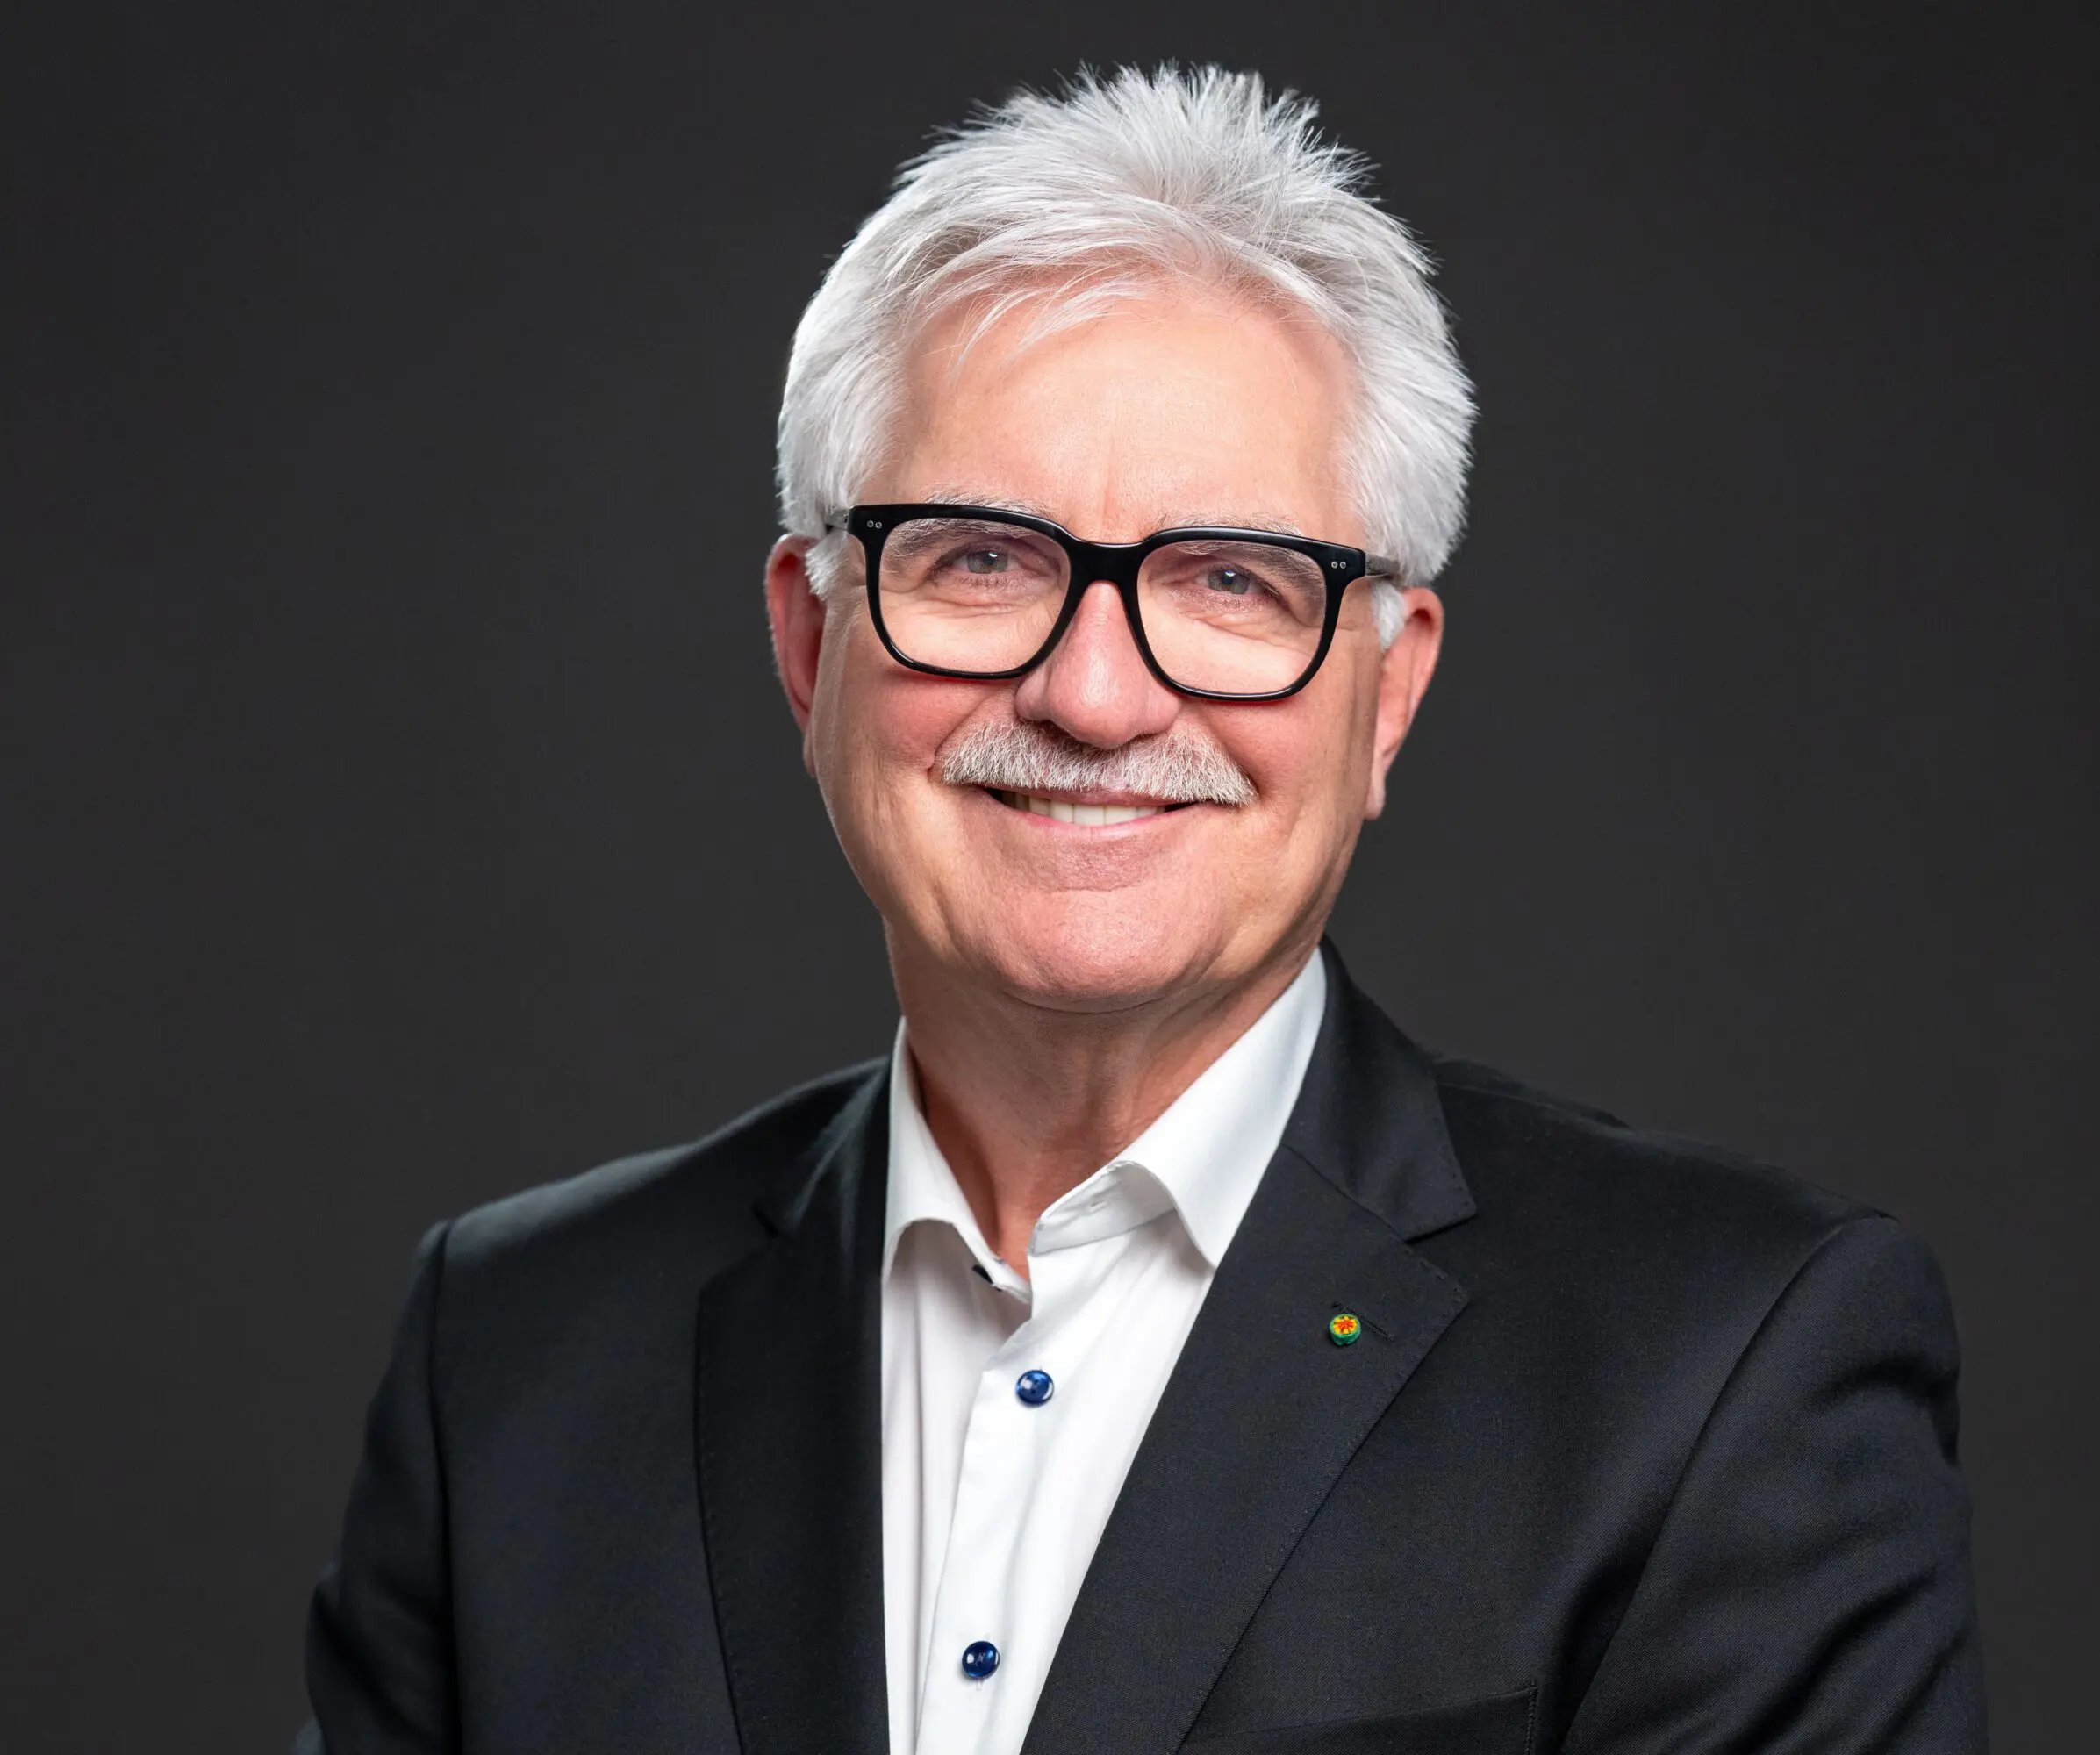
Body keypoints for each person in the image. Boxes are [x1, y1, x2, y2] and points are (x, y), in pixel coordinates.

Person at [297, 66, 1985, 1755]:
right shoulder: (515, 1352)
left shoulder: (1727, 1367)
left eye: (1232, 581)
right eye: (979, 560)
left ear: (1386, 697)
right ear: (811, 647)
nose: (1096, 695)